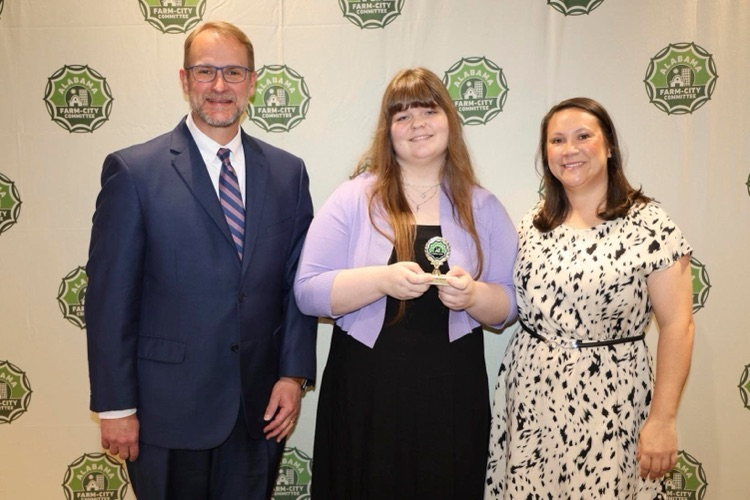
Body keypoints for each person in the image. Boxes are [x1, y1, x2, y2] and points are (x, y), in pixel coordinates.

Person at [84, 21, 316, 500]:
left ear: (253, 82)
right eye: (205, 71)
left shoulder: (288, 174)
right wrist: (115, 407)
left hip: (258, 412)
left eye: (233, 72)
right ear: (185, 79)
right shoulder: (134, 172)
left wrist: (292, 375)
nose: (219, 85)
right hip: (166, 412)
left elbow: (297, 285)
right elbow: (110, 299)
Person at [294, 67, 518, 499]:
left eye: (429, 111)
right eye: (402, 116)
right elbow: (308, 292)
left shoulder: (483, 205)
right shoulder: (353, 197)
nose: (417, 124)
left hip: (452, 390)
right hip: (365, 388)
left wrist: (473, 295)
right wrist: (381, 280)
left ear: (449, 120)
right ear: (388, 131)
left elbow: (508, 304)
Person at [485, 97, 695, 499]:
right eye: (557, 140)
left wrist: (663, 419)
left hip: (612, 403)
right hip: (532, 400)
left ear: (609, 145)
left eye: (583, 136)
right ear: (546, 154)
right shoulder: (534, 222)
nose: (570, 150)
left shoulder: (651, 223)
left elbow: (678, 326)